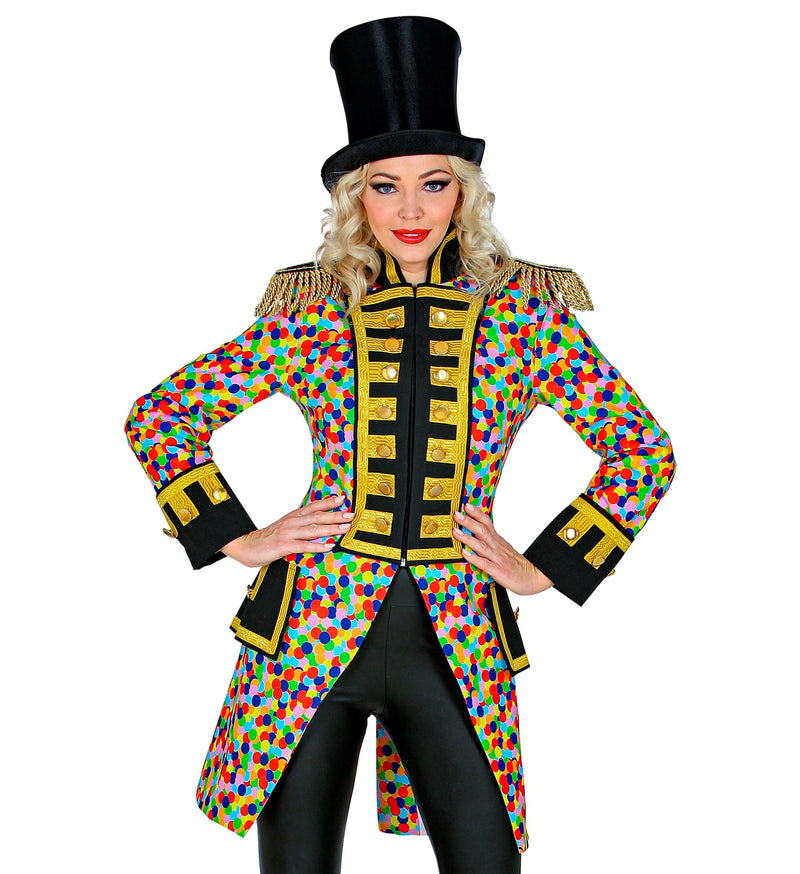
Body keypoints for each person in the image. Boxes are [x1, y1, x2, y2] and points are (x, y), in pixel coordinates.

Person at [124, 15, 676, 874]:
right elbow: (162, 415)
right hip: (305, 636)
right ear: (357, 198)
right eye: (385, 187)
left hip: (458, 636)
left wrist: (544, 566)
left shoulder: (526, 314)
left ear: (464, 193)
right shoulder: (313, 308)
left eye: (433, 184)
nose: (411, 211)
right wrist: (238, 537)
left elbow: (641, 451)